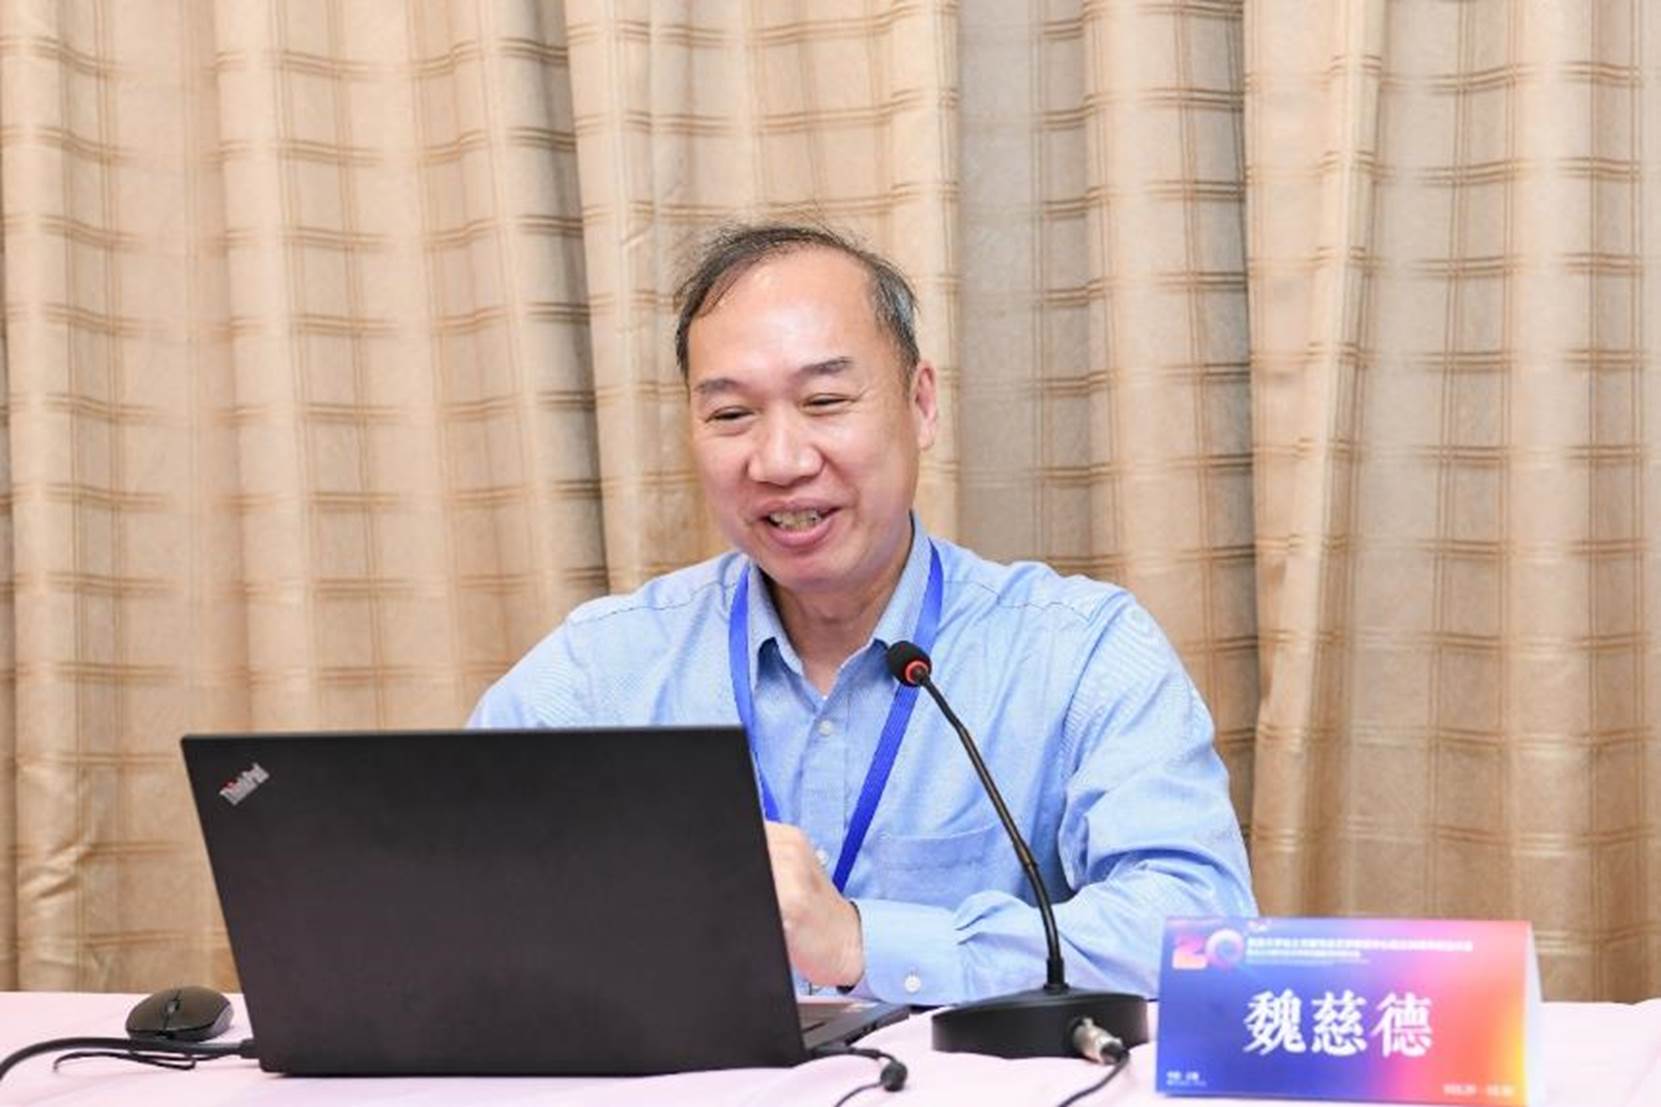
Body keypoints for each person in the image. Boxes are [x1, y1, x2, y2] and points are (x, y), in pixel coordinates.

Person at [469, 223, 1257, 1005]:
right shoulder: (602, 668)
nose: (780, 461)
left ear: (920, 404)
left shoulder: (1078, 647)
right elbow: (453, 895)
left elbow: (1203, 936)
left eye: (824, 401)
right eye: (731, 415)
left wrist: (862, 939)